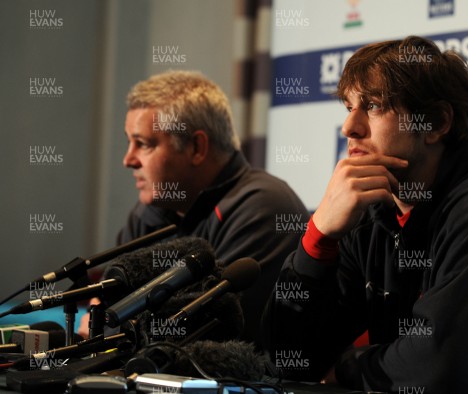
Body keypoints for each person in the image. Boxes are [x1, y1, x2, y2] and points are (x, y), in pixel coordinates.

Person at [263, 36, 468, 392]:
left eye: (374, 106)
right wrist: (318, 238)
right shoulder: (373, 208)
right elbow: (287, 360)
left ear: (437, 122)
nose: (349, 128)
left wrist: (346, 367)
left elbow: (441, 371)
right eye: (349, 108)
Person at [83, 70, 308, 344]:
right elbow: (108, 300)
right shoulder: (149, 212)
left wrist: (113, 324)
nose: (128, 160)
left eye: (142, 144)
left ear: (196, 147)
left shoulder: (265, 207)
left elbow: (207, 328)